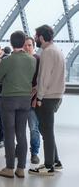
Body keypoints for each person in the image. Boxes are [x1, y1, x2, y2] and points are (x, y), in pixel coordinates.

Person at [0, 31, 36, 178]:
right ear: (24, 42)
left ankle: (9, 168)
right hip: (25, 99)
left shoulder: (7, 60)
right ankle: (21, 168)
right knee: (22, 133)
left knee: (9, 134)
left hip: (8, 99)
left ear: (11, 43)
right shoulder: (32, 60)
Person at [29, 25, 65, 176]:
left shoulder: (47, 52)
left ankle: (49, 165)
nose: (35, 39)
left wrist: (39, 97)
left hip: (47, 98)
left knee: (47, 132)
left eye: (36, 36)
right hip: (56, 95)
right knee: (46, 130)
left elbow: (44, 77)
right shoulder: (56, 50)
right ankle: (56, 162)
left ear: (41, 37)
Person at [23, 36, 41, 165]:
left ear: (33, 46)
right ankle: (20, 150)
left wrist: (36, 95)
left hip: (32, 100)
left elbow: (42, 79)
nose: (27, 47)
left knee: (33, 128)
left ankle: (34, 153)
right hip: (20, 99)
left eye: (29, 45)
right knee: (19, 128)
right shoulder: (20, 60)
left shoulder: (38, 60)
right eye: (25, 45)